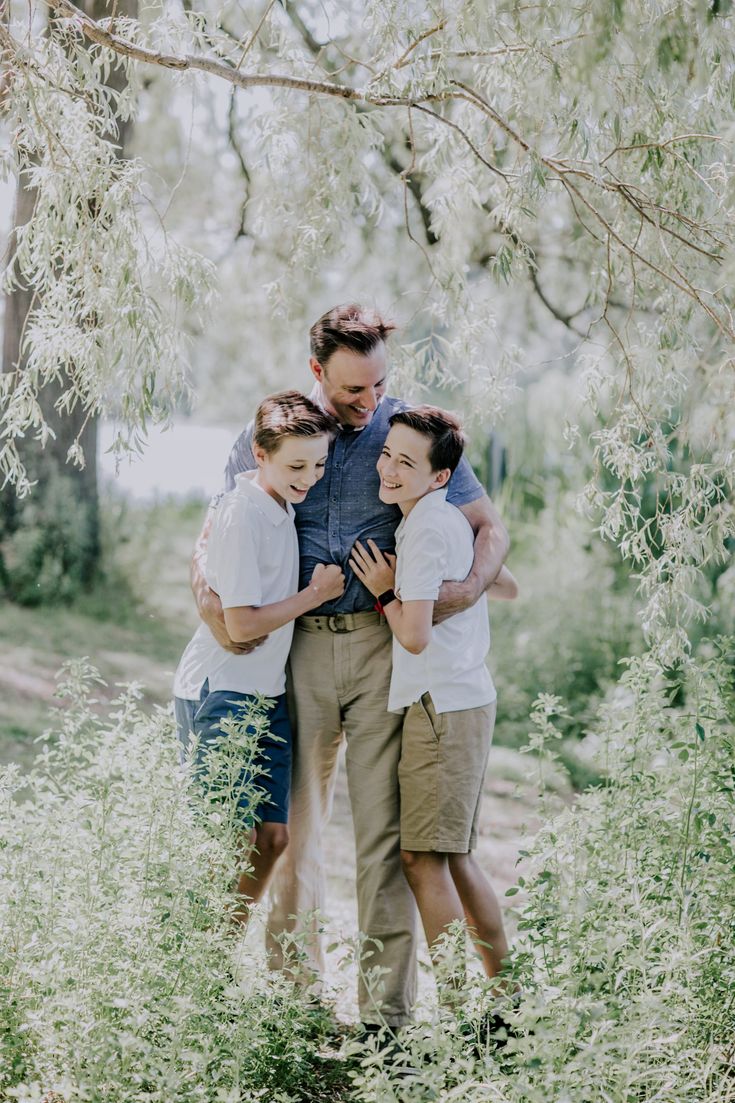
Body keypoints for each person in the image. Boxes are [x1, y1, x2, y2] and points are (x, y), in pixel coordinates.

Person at [188, 304, 510, 1029]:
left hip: (379, 646)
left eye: (375, 387)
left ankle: (385, 1016)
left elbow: (491, 527)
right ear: (316, 373)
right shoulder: (268, 433)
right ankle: (297, 1002)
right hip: (297, 648)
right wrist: (209, 603)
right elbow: (213, 530)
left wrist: (450, 597)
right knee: (297, 832)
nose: (364, 405)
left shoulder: (408, 437)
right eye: (348, 392)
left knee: (383, 836)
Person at [350, 405, 517, 993]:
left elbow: (415, 635)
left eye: (406, 462)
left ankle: (462, 1004)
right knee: (456, 857)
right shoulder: (443, 520)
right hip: (461, 700)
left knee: (424, 860)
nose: (388, 469)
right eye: (387, 453)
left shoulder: (422, 528)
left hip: (439, 708)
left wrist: (384, 590)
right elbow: (508, 583)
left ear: (440, 476)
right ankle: (503, 998)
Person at [174, 390, 344, 925]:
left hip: (265, 696)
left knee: (272, 838)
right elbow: (242, 624)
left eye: (318, 464)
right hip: (222, 691)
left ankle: (212, 957)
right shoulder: (242, 513)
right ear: (259, 452)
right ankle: (187, 963)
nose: (309, 477)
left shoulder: (277, 503)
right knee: (218, 842)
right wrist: (315, 596)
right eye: (297, 464)